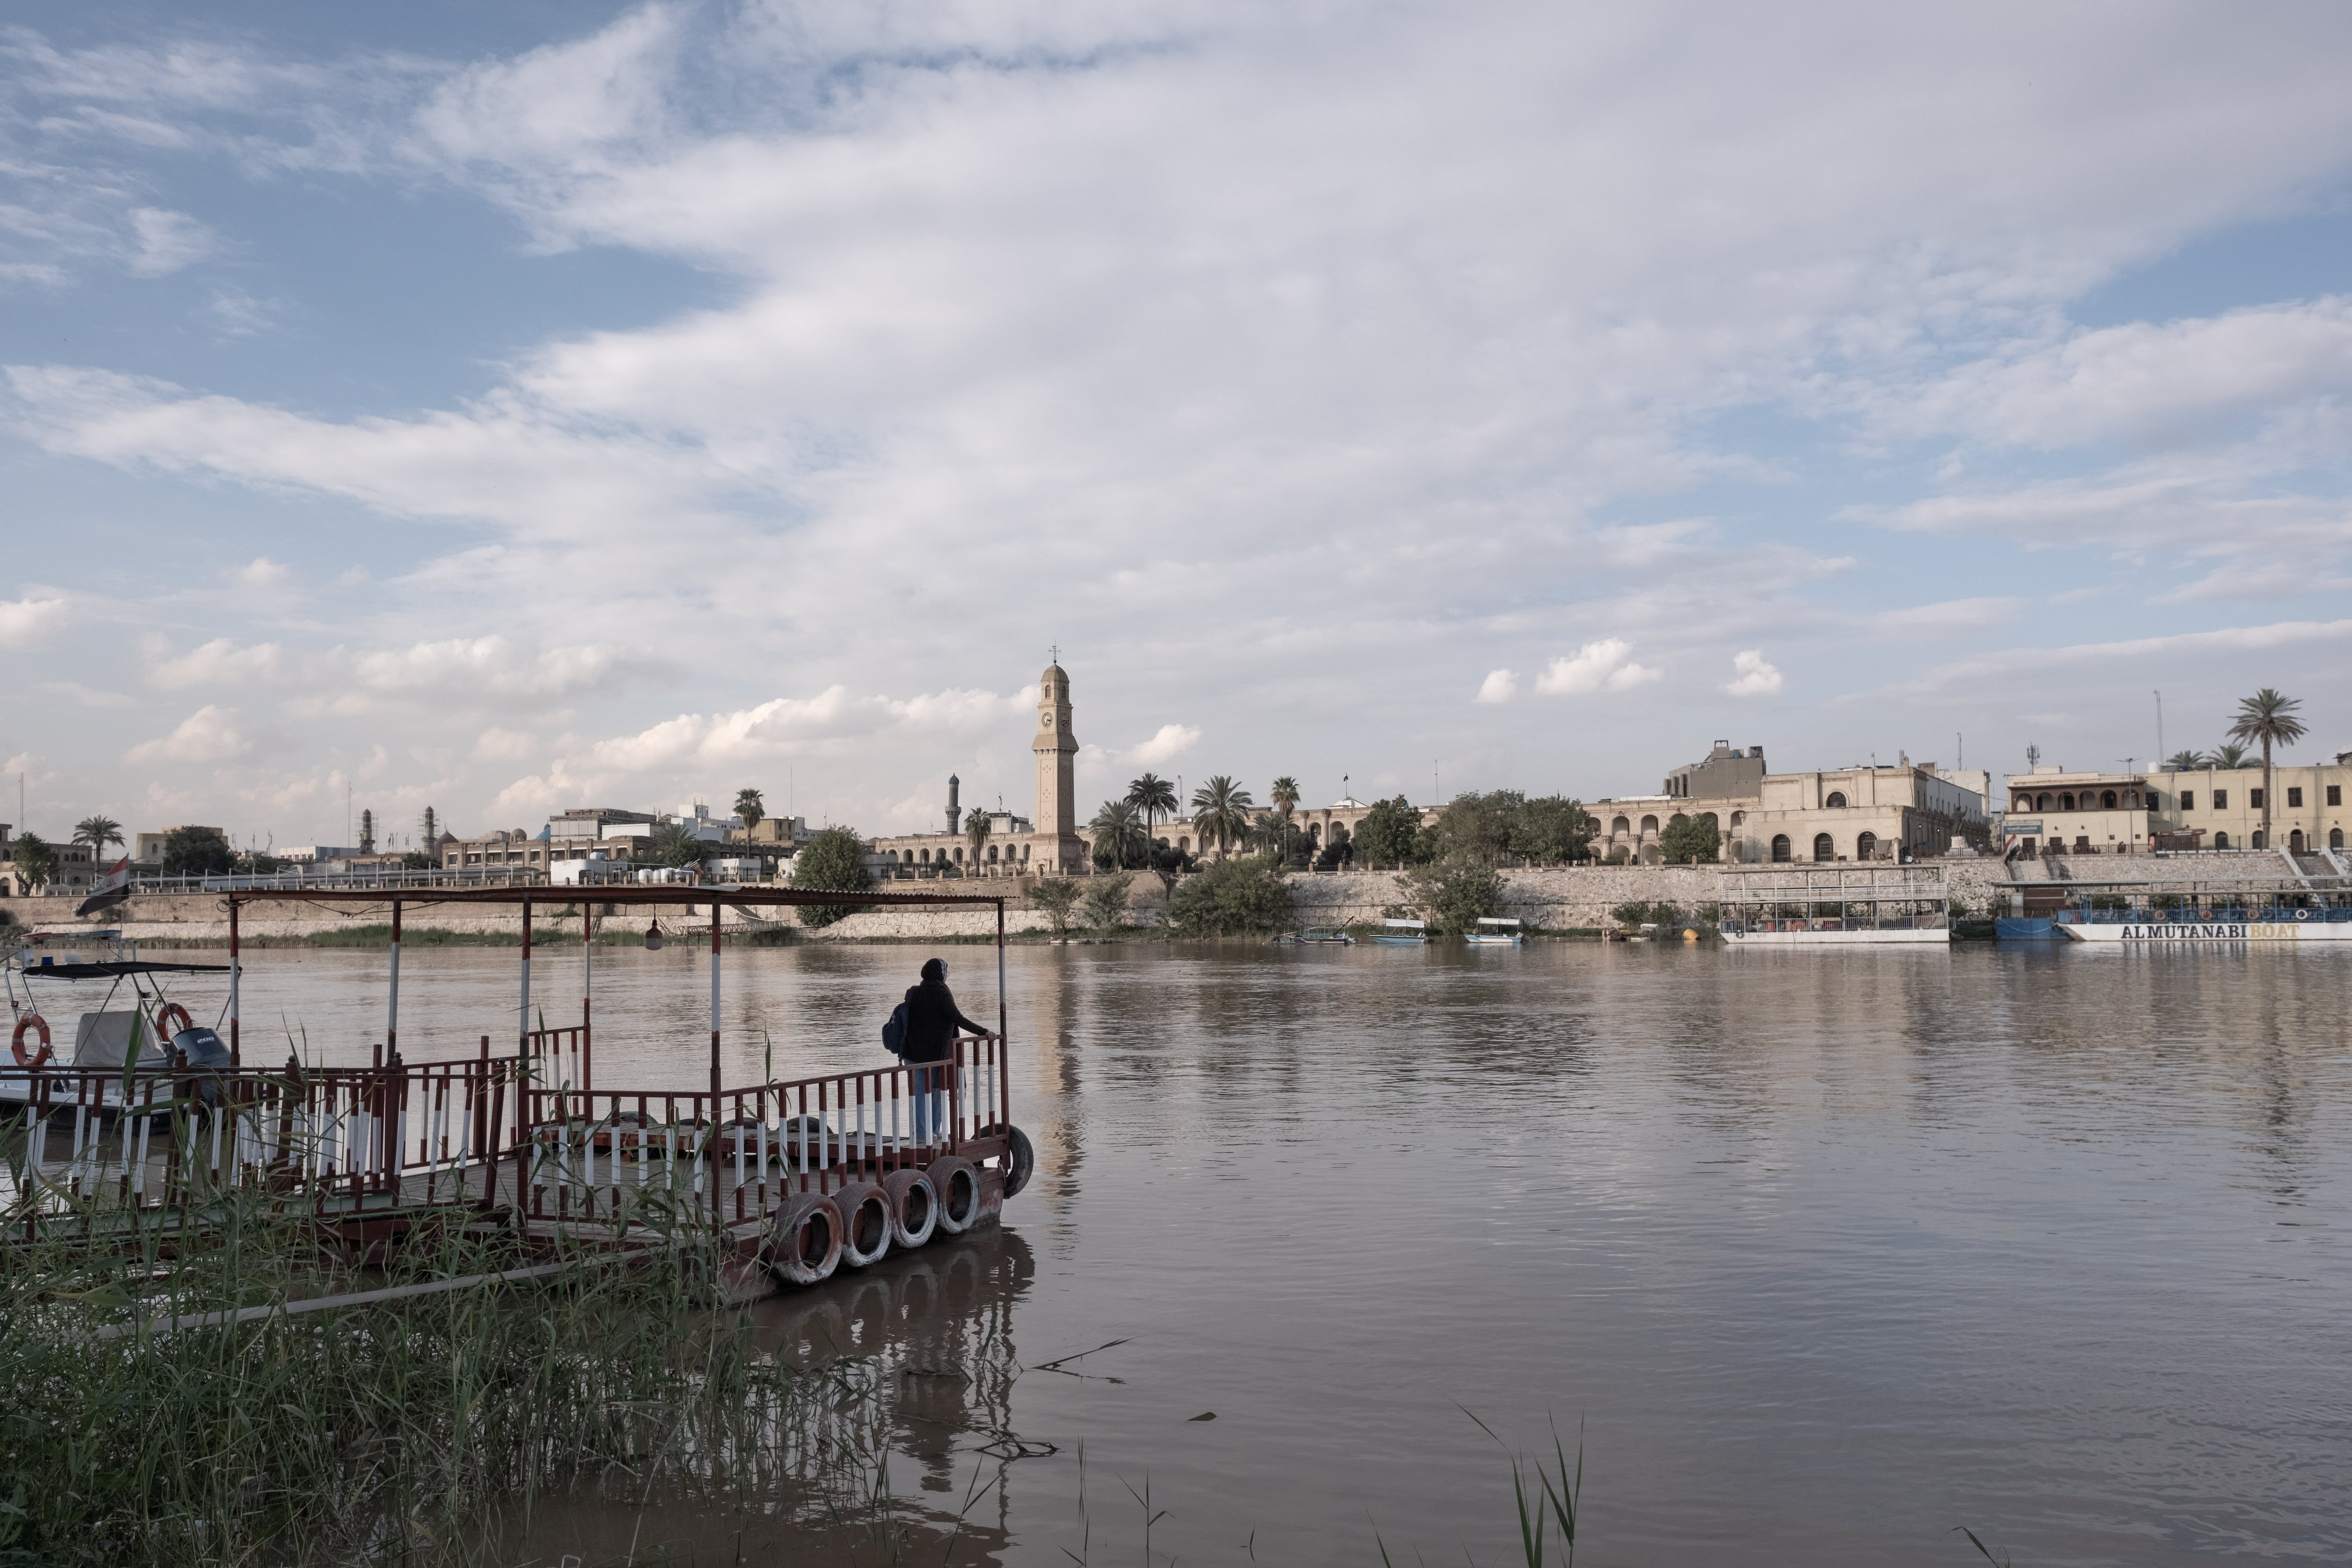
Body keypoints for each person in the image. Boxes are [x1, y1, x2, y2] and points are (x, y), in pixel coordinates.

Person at [901, 957, 992, 1144]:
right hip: (934, 1054)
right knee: (937, 1091)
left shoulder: (914, 991)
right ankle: (931, 1131)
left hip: (913, 1053)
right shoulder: (942, 993)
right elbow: (958, 1018)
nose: (946, 977)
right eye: (946, 973)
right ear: (941, 974)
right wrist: (984, 1032)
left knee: (921, 1093)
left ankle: (924, 1132)